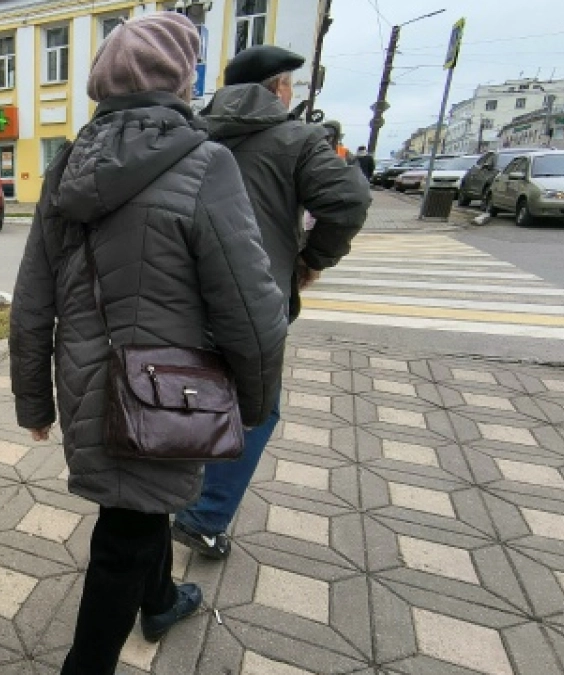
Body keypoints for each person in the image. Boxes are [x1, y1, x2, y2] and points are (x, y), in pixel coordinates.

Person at [10, 14, 288, 674]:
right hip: (167, 389)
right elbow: (254, 314)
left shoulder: (67, 164)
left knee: (136, 506)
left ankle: (160, 597)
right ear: (182, 76)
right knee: (123, 536)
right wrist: (250, 405)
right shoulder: (204, 163)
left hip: (87, 386)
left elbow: (31, 300)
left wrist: (35, 402)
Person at [171, 45, 371, 560]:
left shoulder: (190, 133)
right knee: (257, 407)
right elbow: (348, 201)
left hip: (188, 295)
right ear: (277, 88)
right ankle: (206, 517)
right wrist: (313, 258)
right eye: (291, 86)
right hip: (258, 302)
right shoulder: (299, 139)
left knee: (186, 394)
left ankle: (166, 497)